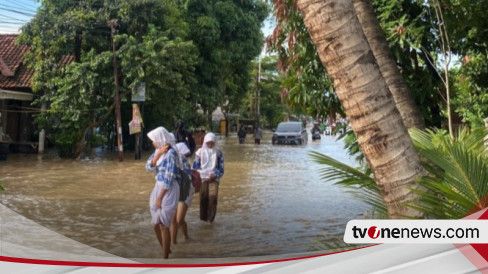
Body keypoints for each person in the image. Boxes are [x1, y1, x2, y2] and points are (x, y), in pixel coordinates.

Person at [145, 127, 180, 259]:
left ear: (160, 139)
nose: (153, 142)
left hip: (169, 189)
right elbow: (148, 167)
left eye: (154, 140)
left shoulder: (171, 154)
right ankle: (166, 249)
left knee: (164, 225)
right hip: (158, 186)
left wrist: (160, 197)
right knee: (155, 224)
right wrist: (158, 154)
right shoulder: (158, 151)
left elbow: (169, 177)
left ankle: (165, 257)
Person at [192, 133, 224, 223]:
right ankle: (203, 220)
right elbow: (195, 167)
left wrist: (215, 175)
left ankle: (211, 220)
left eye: (212, 143)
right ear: (205, 142)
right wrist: (202, 175)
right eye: (208, 143)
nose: (210, 145)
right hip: (202, 179)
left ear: (215, 142)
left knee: (213, 199)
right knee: (203, 199)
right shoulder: (199, 152)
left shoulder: (218, 152)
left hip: (214, 179)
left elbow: (221, 168)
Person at [170, 142, 195, 244]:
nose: (186, 157)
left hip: (186, 190)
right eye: (184, 154)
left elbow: (186, 178)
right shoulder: (171, 160)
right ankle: (173, 243)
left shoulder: (183, 161)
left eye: (187, 155)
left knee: (179, 220)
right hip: (174, 190)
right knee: (173, 220)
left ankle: (185, 236)